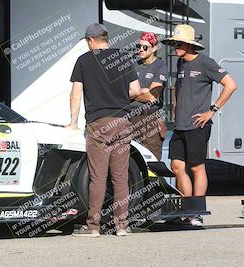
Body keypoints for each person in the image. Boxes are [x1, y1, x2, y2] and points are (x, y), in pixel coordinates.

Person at [66, 23, 154, 237]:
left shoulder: (84, 61)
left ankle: (94, 228)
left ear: (90, 41)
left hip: (98, 124)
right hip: (122, 122)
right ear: (106, 39)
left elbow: (76, 93)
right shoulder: (123, 57)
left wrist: (73, 122)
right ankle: (121, 226)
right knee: (120, 177)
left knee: (98, 177)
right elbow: (134, 90)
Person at [161, 24, 237, 226]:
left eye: (178, 43)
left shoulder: (205, 63)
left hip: (197, 125)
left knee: (196, 168)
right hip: (180, 124)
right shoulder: (180, 63)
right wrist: (176, 107)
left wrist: (212, 110)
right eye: (174, 43)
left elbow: (231, 84)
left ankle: (197, 213)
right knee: (177, 166)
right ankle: (188, 209)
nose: (175, 46)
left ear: (189, 44)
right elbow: (178, 87)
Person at [131, 32, 168, 160]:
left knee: (151, 159)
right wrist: (143, 91)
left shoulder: (160, 66)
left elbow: (152, 96)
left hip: (150, 118)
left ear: (154, 48)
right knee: (130, 159)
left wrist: (132, 93)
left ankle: (153, 181)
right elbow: (120, 91)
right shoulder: (133, 64)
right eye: (138, 46)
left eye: (145, 47)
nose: (140, 50)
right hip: (130, 117)